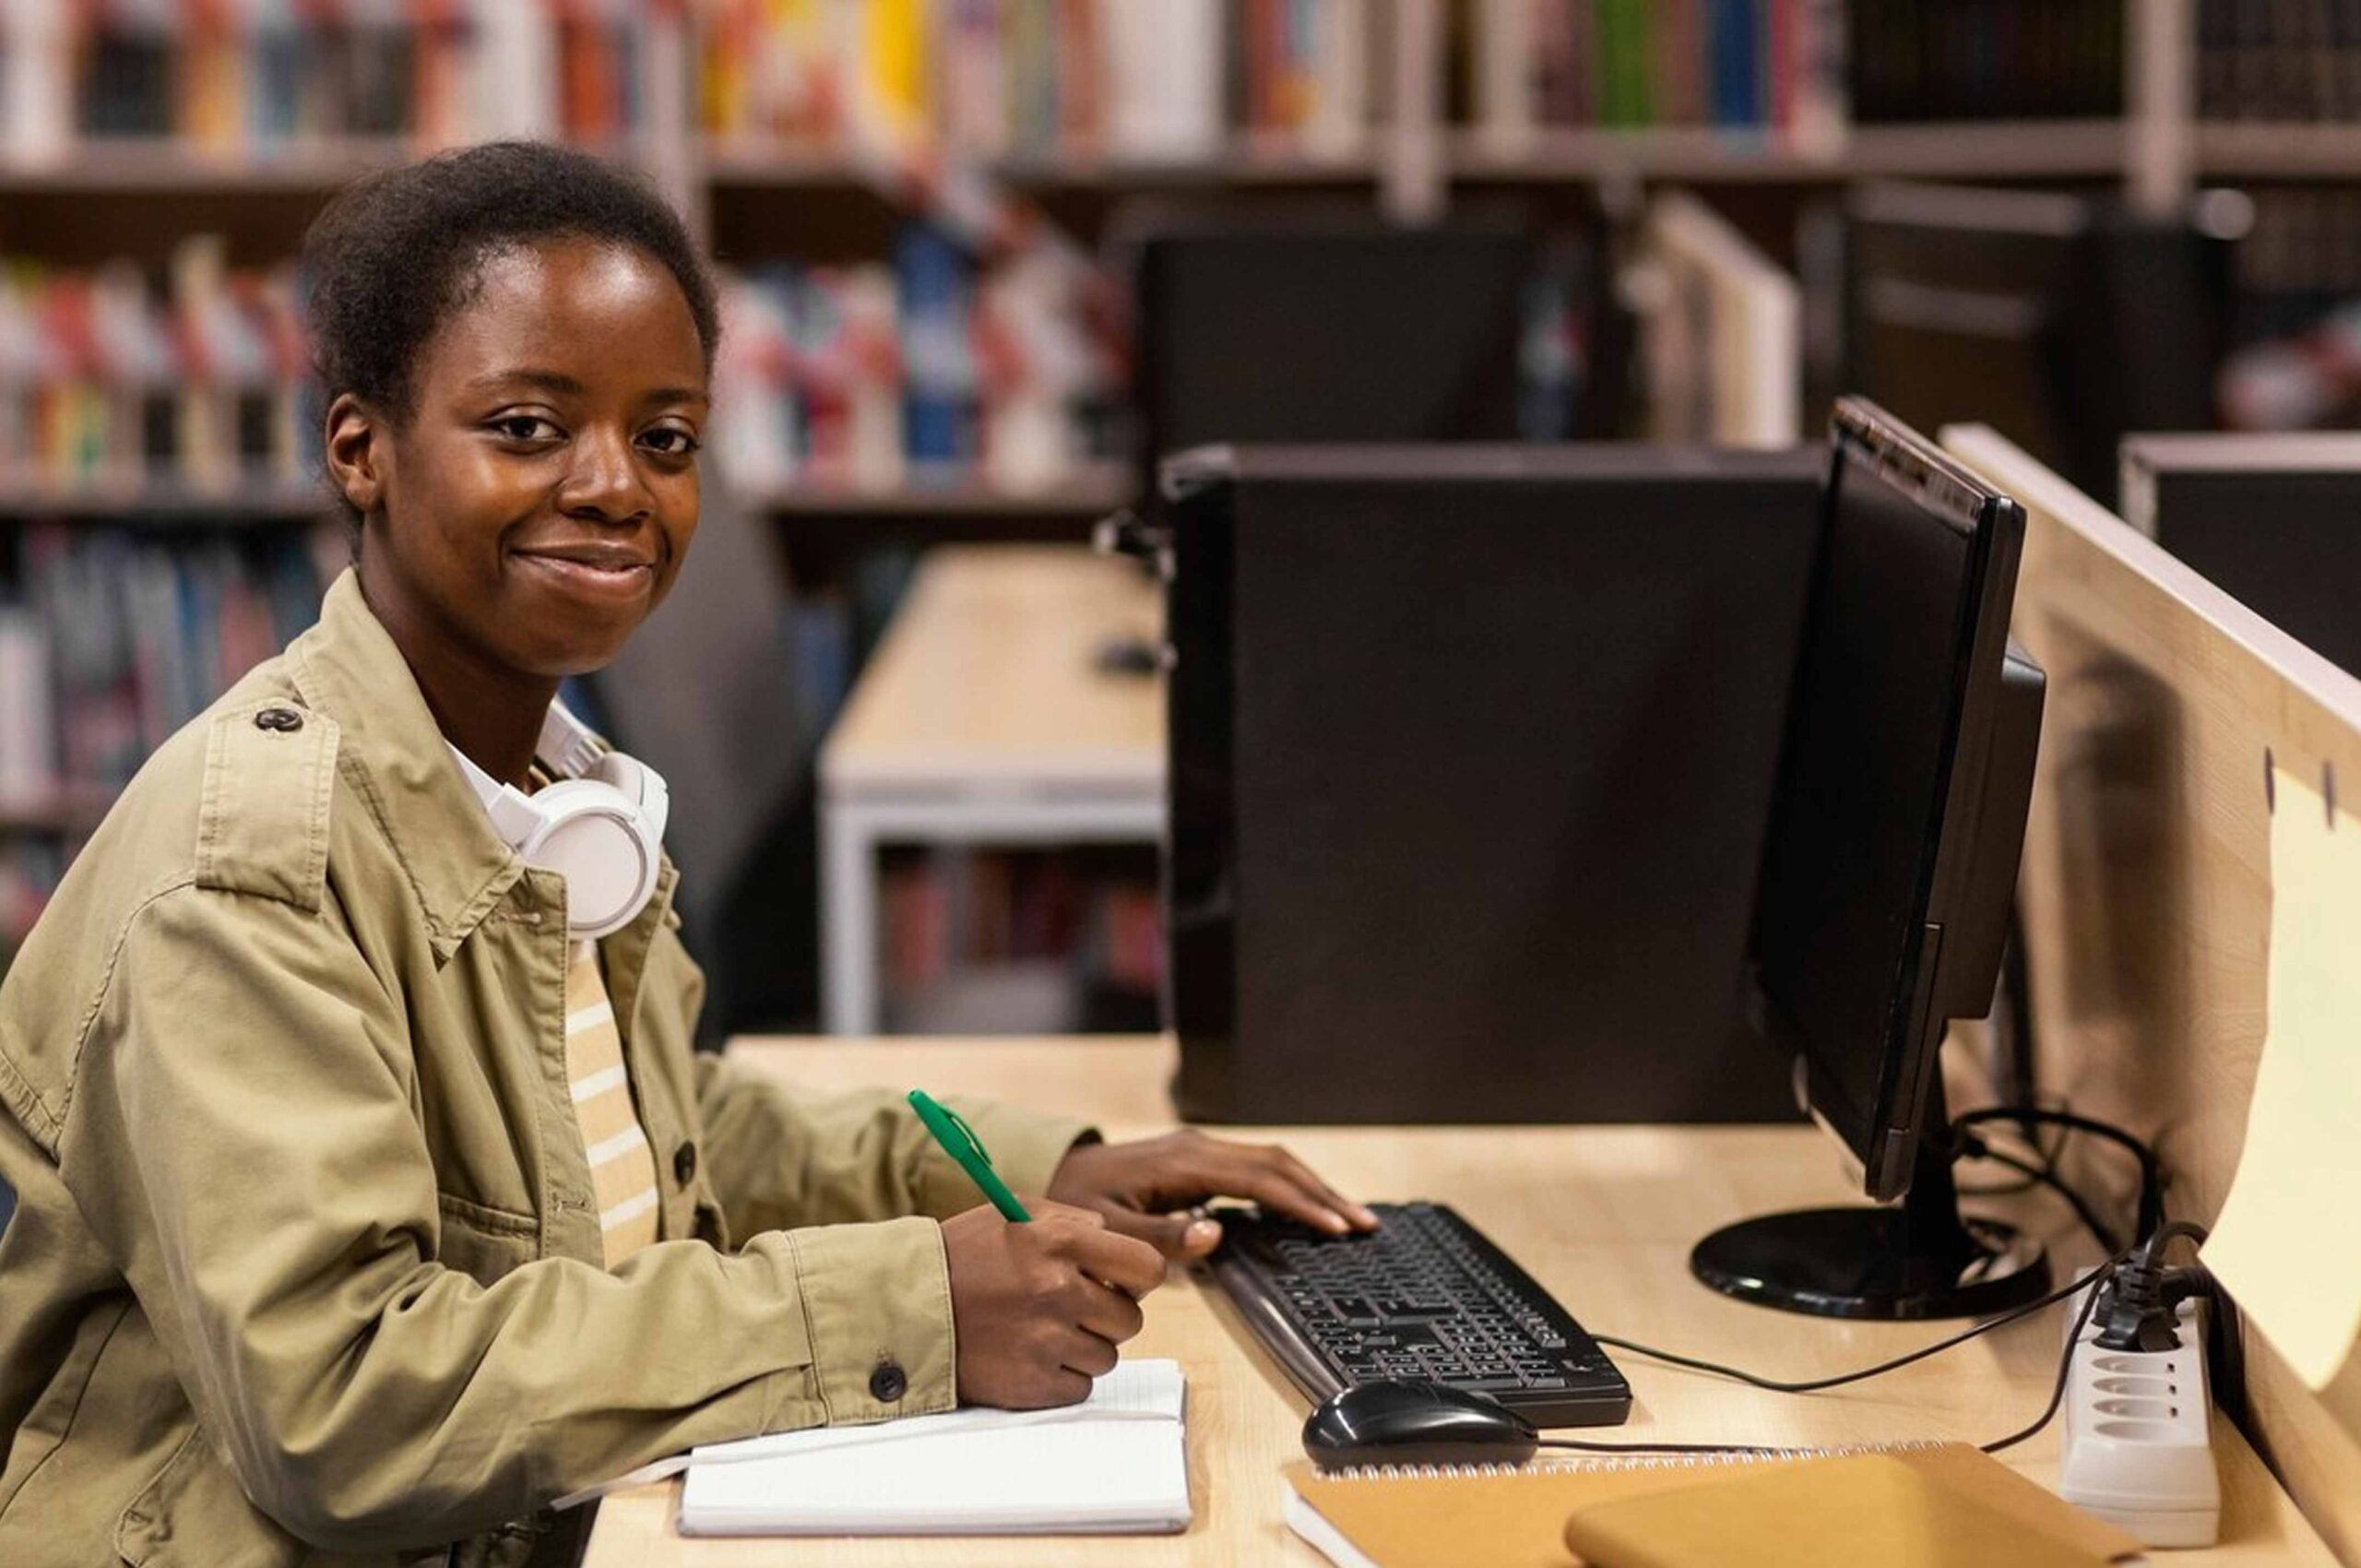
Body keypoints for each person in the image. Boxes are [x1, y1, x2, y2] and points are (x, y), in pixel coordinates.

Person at [0, 142, 1374, 1567]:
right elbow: (345, 1405)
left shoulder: (543, 788)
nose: (615, 487)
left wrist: (1046, 1172)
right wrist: (913, 1307)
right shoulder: (248, 865)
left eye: (666, 438)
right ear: (363, 446)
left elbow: (662, 1138)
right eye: (528, 427)